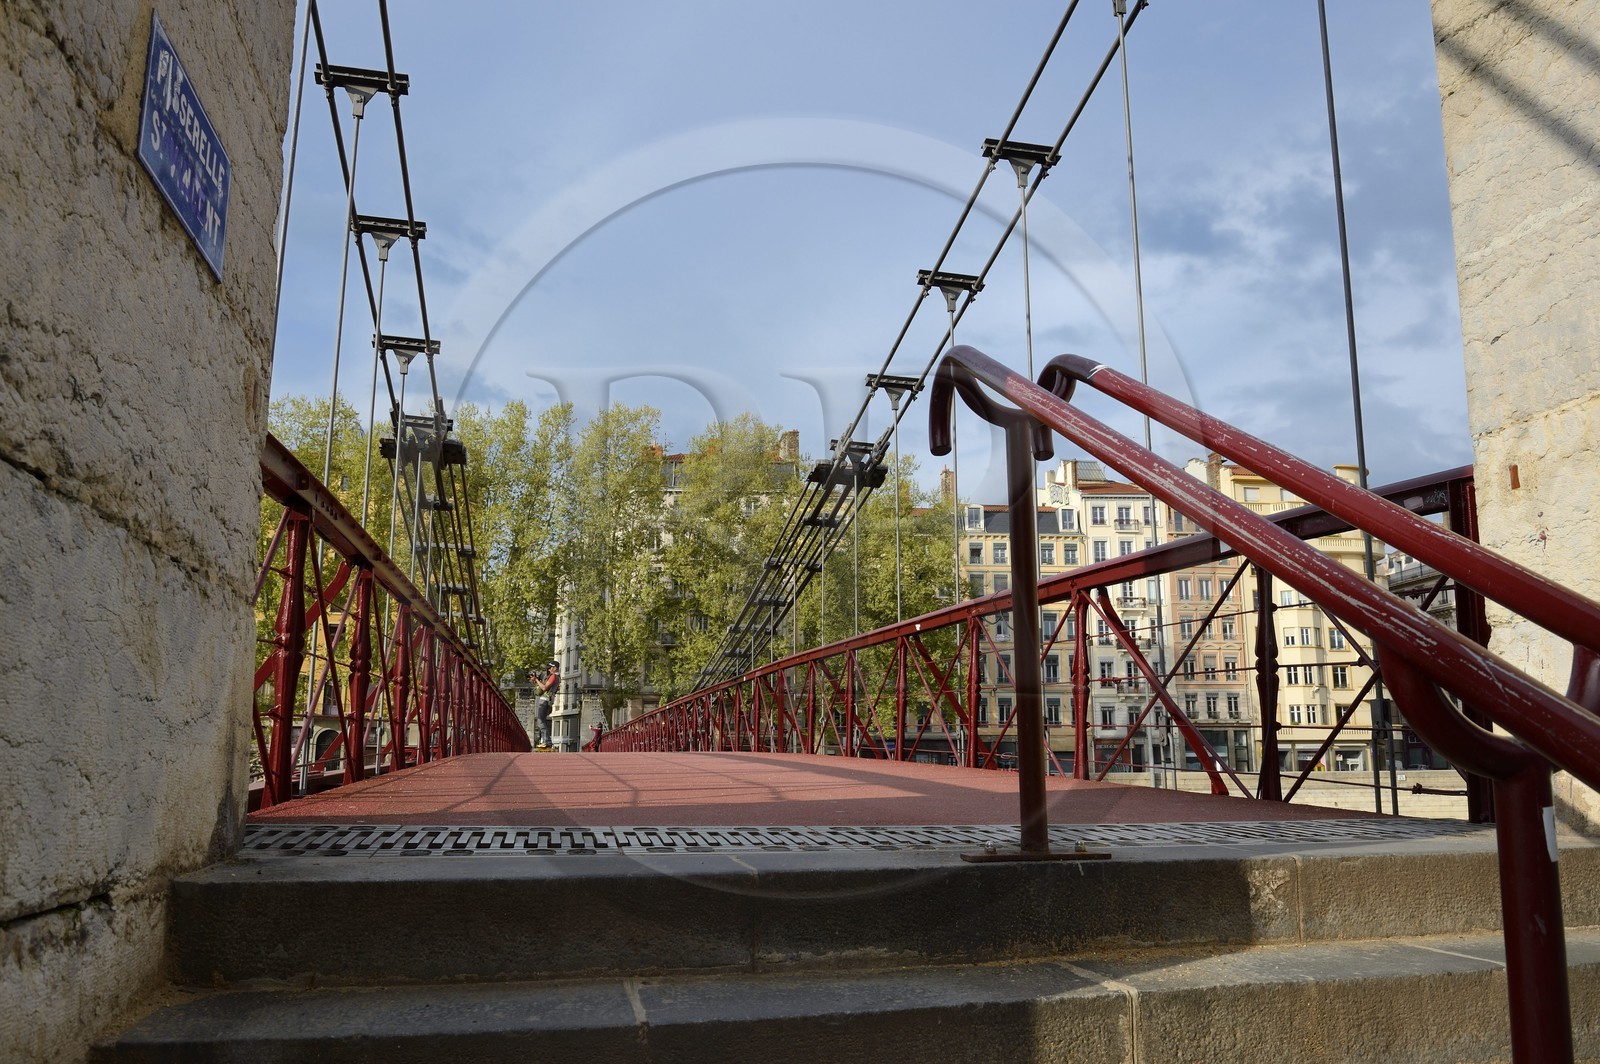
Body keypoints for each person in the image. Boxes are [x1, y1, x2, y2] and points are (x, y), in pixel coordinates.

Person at [533, 661, 558, 748]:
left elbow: (544, 688)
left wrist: (536, 680)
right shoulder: (551, 676)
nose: (549, 669)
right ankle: (545, 740)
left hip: (545, 701)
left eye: (550, 667)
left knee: (540, 721)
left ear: (555, 668)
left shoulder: (553, 677)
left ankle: (547, 741)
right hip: (546, 700)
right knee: (542, 721)